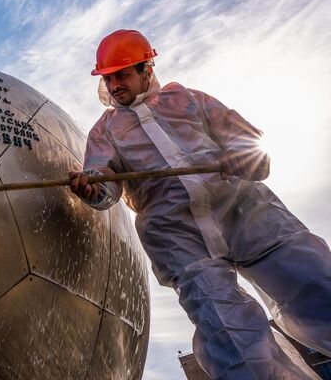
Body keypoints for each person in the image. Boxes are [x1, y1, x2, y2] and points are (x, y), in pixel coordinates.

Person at [69, 29, 331, 380]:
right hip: (179, 238)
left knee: (316, 285)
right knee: (229, 334)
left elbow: (252, 147)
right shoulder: (105, 131)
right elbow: (104, 182)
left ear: (147, 69)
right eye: (109, 77)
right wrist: (92, 189)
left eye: (122, 74)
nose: (115, 84)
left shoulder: (190, 100)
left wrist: (242, 157)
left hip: (249, 214)